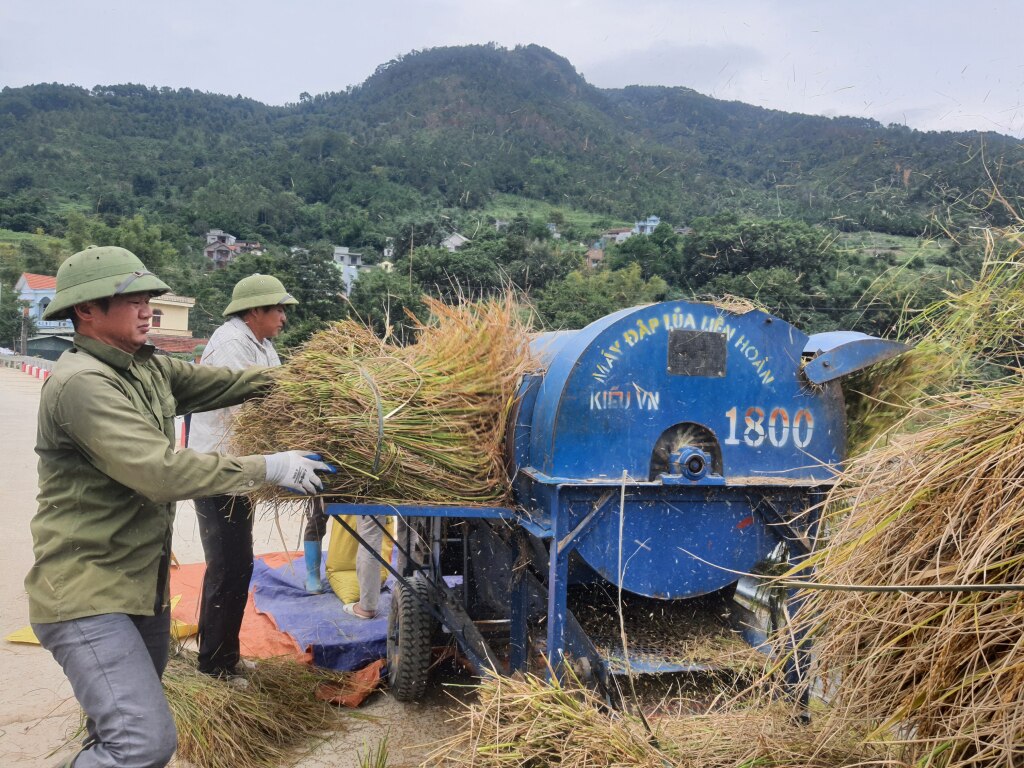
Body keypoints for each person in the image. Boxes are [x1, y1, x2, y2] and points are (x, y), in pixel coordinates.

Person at [24, 246, 334, 768]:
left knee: (113, 735)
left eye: (149, 298)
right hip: (85, 592)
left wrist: (317, 379)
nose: (148, 309)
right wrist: (269, 467)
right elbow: (160, 472)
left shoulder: (148, 370)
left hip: (139, 587)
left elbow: (231, 384)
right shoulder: (83, 384)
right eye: (131, 300)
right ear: (86, 311)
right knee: (143, 743)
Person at [187, 273, 301, 678]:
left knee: (239, 565)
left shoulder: (263, 347)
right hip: (220, 473)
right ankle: (215, 666)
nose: (284, 318)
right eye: (279, 309)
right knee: (227, 566)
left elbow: (279, 399)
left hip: (242, 474)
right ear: (255, 311)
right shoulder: (232, 345)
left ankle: (225, 656)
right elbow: (249, 416)